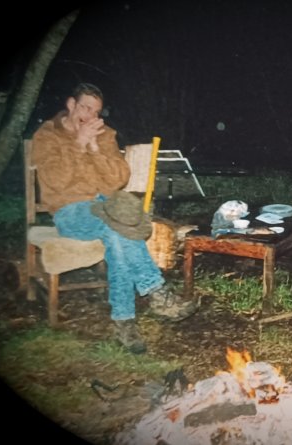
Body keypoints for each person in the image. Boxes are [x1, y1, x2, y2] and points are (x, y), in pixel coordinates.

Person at [32, 82, 196, 354]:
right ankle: (156, 292)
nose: (89, 116)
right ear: (71, 104)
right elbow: (56, 181)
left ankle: (125, 323)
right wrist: (78, 145)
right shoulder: (47, 135)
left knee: (118, 235)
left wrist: (95, 149)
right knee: (118, 225)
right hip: (69, 212)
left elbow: (118, 179)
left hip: (105, 209)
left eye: (96, 111)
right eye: (84, 107)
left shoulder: (105, 135)